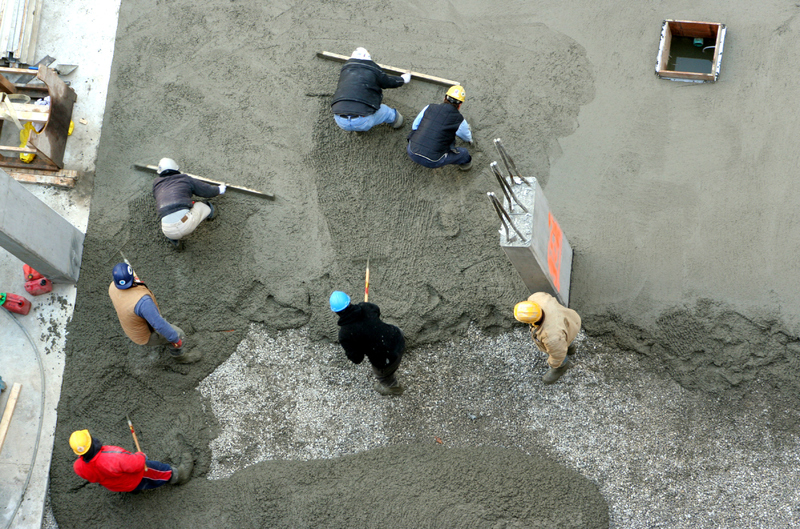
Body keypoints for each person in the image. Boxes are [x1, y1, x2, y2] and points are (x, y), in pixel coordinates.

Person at [108, 262, 201, 363]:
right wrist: (175, 339)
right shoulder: (143, 302)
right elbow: (159, 325)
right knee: (179, 335)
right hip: (145, 335)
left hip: (131, 327)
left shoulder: (112, 287)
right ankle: (179, 357)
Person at [330, 290, 405, 395]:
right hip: (398, 336)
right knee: (391, 332)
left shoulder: (345, 334)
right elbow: (376, 310)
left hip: (387, 359)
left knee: (383, 375)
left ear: (335, 312)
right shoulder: (365, 307)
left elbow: (357, 359)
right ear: (349, 301)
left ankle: (393, 388)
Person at [69, 429, 192, 492]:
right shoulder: (113, 457)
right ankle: (178, 475)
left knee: (132, 486)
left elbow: (94, 477)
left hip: (116, 485)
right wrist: (141, 455)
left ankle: (134, 491)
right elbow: (137, 464)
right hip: (136, 477)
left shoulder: (78, 467)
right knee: (157, 470)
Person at [331, 47, 411, 132]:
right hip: (362, 121)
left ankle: (356, 129)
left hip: (340, 120)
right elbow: (388, 82)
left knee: (353, 108)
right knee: (387, 112)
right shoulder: (373, 69)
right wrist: (403, 79)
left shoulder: (345, 69)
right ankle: (398, 123)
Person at [152, 157, 226, 247]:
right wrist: (219, 190)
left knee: (172, 220)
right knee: (201, 205)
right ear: (177, 169)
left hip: (167, 230)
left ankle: (174, 241)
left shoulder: (156, 184)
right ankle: (212, 212)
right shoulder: (184, 178)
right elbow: (205, 190)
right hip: (185, 224)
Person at [514, 292, 581, 385]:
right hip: (570, 320)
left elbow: (558, 354)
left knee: (561, 348)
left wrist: (553, 362)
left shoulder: (551, 337)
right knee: (566, 335)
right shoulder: (537, 297)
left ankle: (562, 366)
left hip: (560, 334)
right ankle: (571, 348)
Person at [406, 85, 473, 170]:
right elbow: (467, 137)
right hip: (433, 160)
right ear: (460, 105)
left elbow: (415, 126)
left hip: (411, 150)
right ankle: (466, 165)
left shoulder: (429, 107)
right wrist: (470, 139)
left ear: (445, 98)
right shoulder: (460, 120)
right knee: (464, 153)